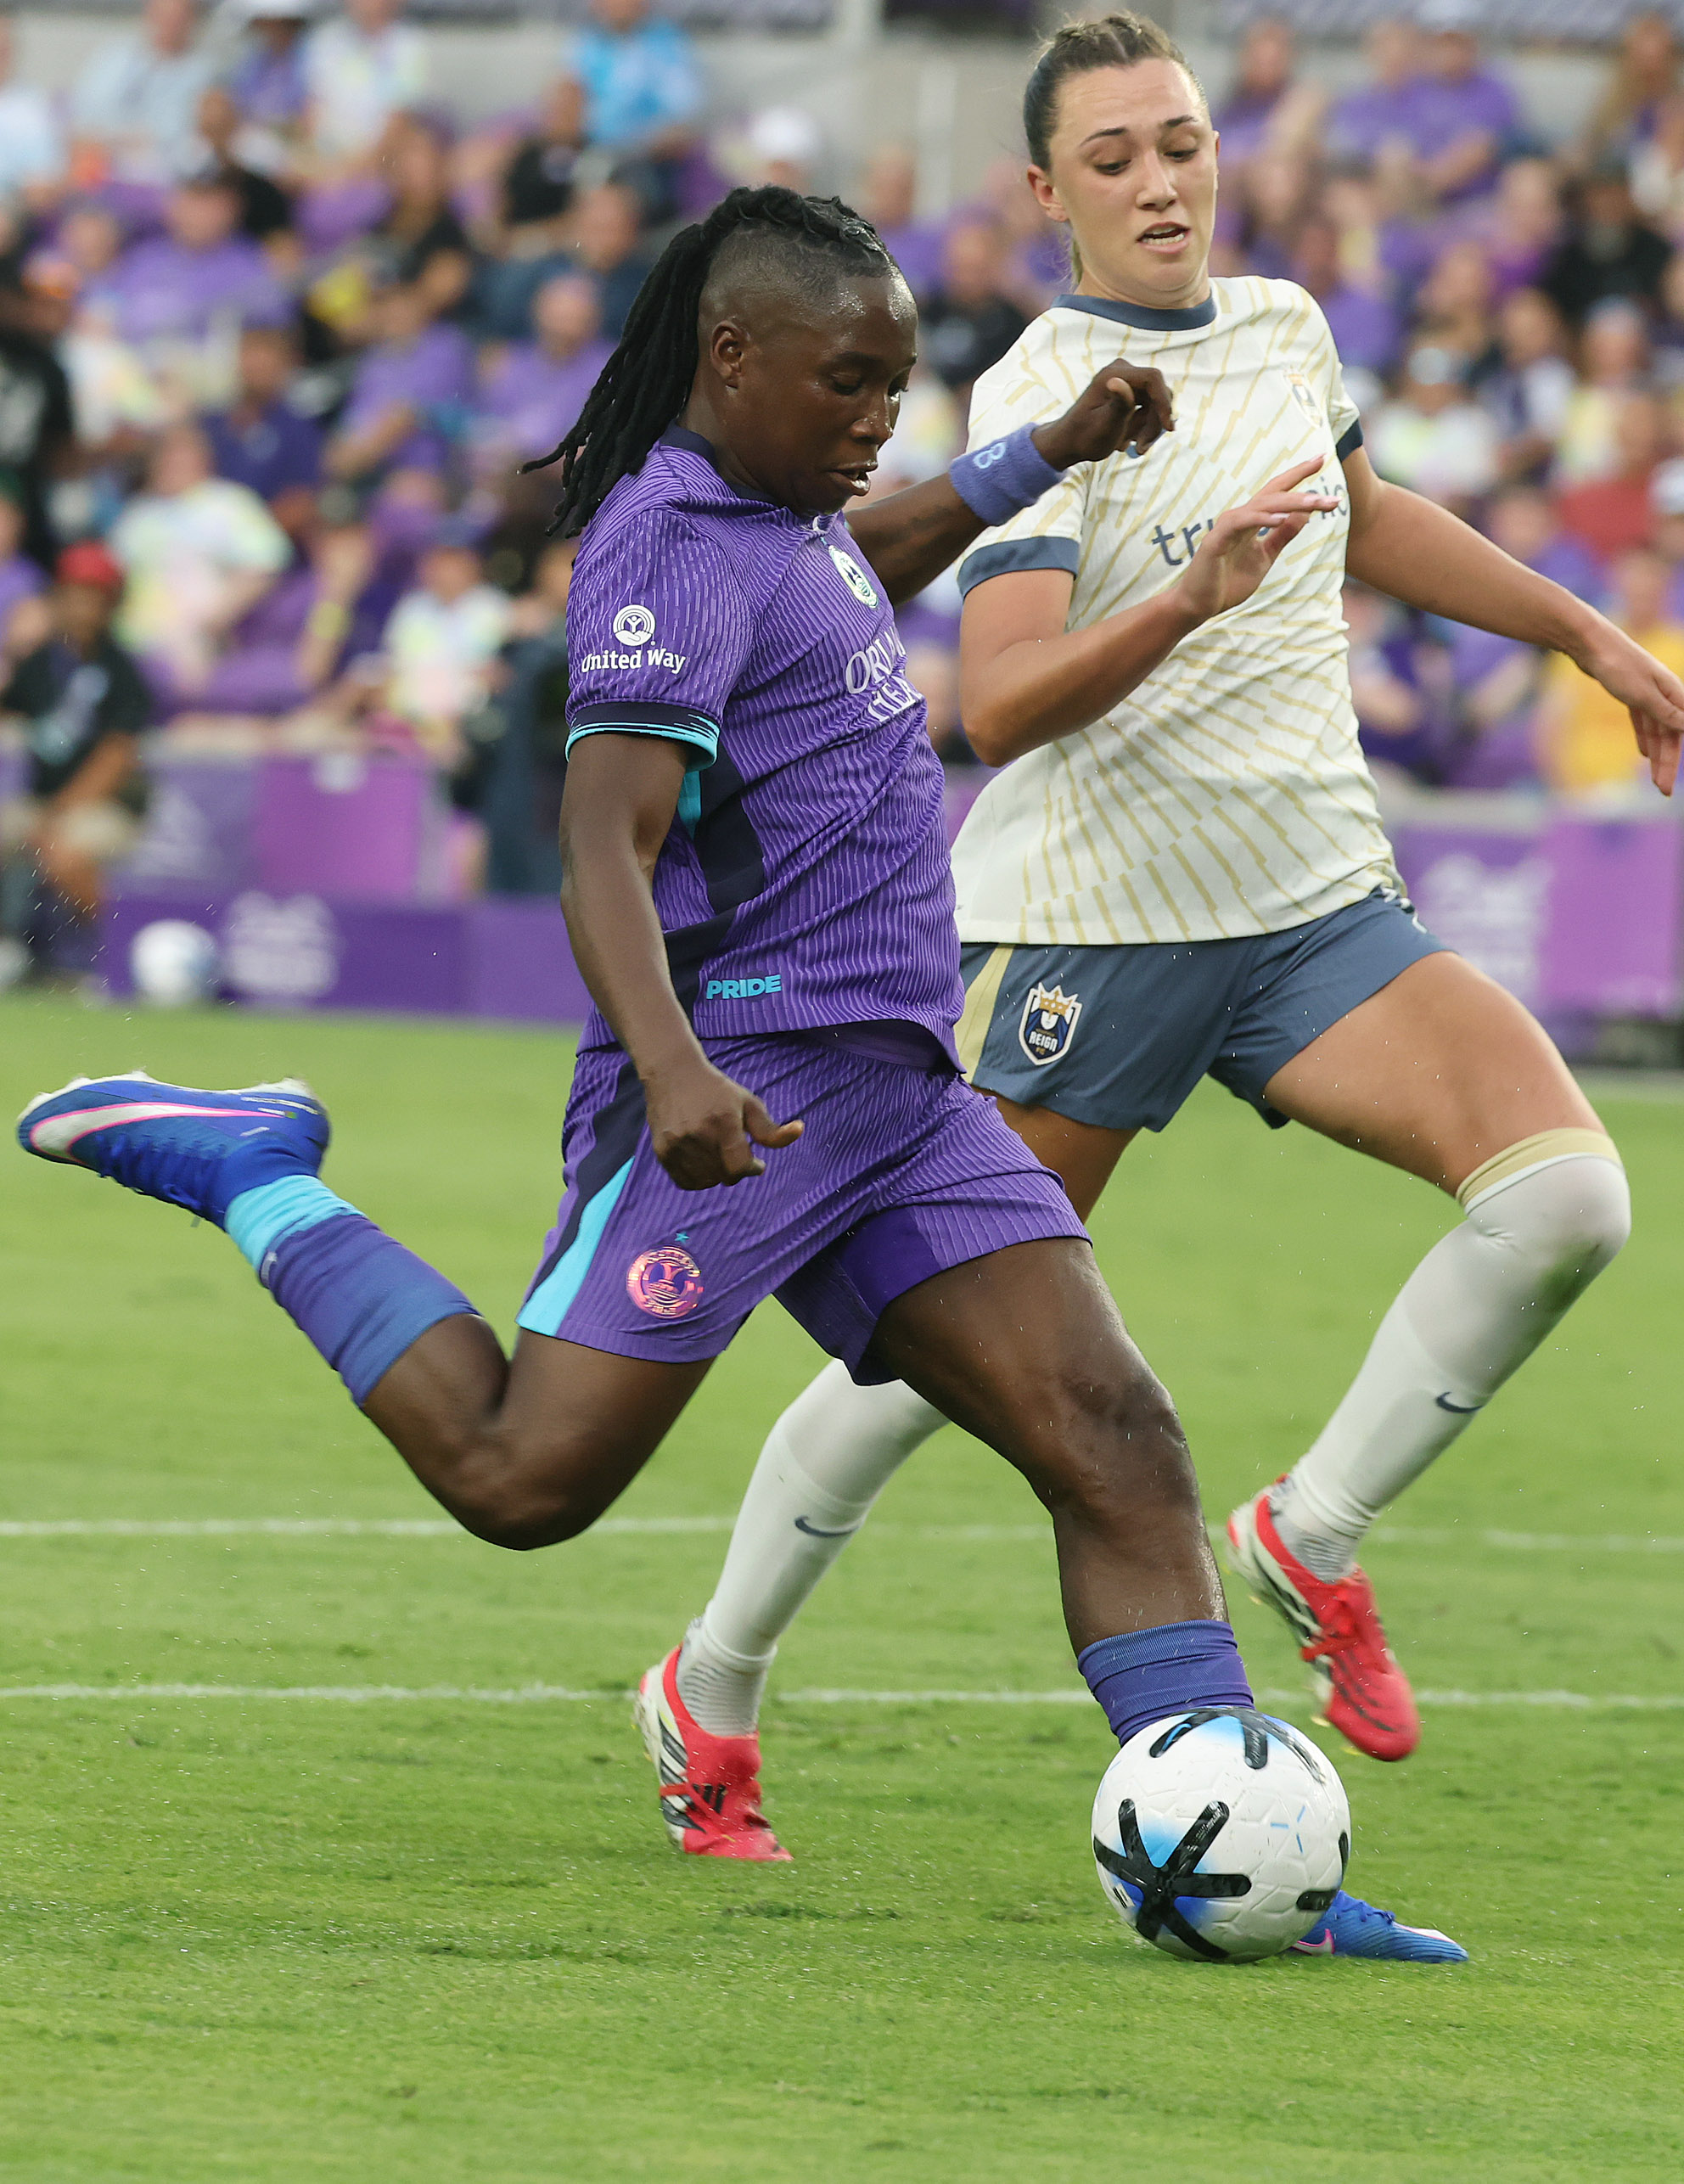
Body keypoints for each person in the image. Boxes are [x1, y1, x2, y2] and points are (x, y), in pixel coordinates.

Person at [14, 182, 1447, 1960]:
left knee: (1116, 1442)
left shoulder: (790, 512)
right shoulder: (668, 539)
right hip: (741, 1092)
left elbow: (856, 580)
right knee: (519, 1479)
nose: (875, 421)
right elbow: (597, 841)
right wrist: (676, 1069)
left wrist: (1041, 454)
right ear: (731, 355)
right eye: (848, 384)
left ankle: (1252, 1867)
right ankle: (253, 1168)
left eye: (895, 387)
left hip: (900, 1098)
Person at [669, 17, 1672, 1838]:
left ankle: (1309, 1527)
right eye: (1114, 156)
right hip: (1091, 936)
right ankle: (711, 1679)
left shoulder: (1282, 325)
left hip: (1308, 904)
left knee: (1563, 1200)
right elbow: (996, 701)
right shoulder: (1036, 397)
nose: (1159, 180)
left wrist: (1577, 633)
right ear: (1045, 194)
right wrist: (1196, 599)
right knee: (915, 1362)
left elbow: (1365, 515)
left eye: (1180, 142)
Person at [0, 542, 151, 986]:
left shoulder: (123, 671)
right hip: (40, 801)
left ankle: (113, 959)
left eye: (95, 594)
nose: (82, 605)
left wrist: (57, 814)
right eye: (74, 592)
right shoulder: (41, 663)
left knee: (64, 853)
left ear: (112, 602)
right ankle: (10, 946)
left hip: (104, 807)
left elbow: (116, 758)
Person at [70, 0, 213, 188]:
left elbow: (179, 135)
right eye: (163, 14)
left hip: (165, 178)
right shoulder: (114, 58)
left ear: (192, 19)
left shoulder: (205, 73)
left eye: (178, 17)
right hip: (100, 165)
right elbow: (83, 117)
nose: (170, 23)